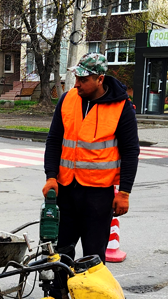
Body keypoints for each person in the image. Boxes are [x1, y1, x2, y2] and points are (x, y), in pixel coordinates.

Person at [42, 52, 139, 263]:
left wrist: (124, 192)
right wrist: (51, 176)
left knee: (93, 257)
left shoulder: (121, 107)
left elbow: (131, 151)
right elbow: (54, 140)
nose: (77, 84)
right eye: (76, 78)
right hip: (66, 190)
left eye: (83, 80)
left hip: (98, 196)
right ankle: (59, 295)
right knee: (59, 254)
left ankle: (90, 296)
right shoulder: (67, 99)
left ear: (100, 79)